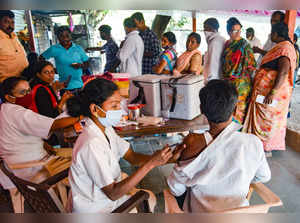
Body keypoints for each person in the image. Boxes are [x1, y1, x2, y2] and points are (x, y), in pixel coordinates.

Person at [66, 78, 184, 213]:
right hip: (97, 209)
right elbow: (113, 193)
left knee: (162, 199)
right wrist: (151, 164)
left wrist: (167, 159)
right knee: (166, 204)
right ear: (94, 109)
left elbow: (132, 156)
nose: (120, 111)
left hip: (106, 200)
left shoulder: (106, 129)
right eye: (114, 106)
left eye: (119, 105)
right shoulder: (91, 144)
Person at [167, 79, 271, 213]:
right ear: (235, 110)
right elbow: (264, 176)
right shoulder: (253, 143)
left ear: (201, 110)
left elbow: (176, 188)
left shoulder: (192, 144)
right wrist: (239, 178)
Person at [0, 76, 83, 212]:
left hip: (15, 163)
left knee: (75, 154)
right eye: (22, 93)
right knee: (81, 162)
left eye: (29, 91)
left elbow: (20, 134)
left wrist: (44, 144)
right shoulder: (18, 113)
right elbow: (54, 124)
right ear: (9, 97)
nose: (28, 95)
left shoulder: (4, 109)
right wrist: (82, 116)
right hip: (30, 166)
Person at [243, 22, 297, 153]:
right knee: (263, 116)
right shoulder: (282, 46)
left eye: (271, 33)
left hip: (271, 94)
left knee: (267, 117)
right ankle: (258, 144)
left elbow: (283, 71)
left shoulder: (286, 48)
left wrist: (272, 92)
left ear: (276, 34)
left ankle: (264, 146)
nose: (270, 35)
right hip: (265, 92)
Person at [221, 17, 256, 125]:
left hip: (241, 83)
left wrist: (242, 78)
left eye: (239, 30)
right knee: (229, 108)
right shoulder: (227, 44)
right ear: (228, 31)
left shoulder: (244, 45)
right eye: (234, 31)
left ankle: (238, 133)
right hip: (228, 82)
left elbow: (251, 65)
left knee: (239, 110)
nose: (237, 33)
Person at [40, 26, 89, 95]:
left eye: (67, 36)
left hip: (79, 86)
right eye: (61, 36)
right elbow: (41, 58)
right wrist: (52, 70)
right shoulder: (54, 49)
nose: (65, 38)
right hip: (64, 87)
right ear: (57, 37)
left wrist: (81, 65)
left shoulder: (78, 48)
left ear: (70, 36)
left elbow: (87, 64)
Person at [0, 10, 28, 82]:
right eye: (6, 22)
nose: (10, 26)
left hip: (22, 80)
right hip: (7, 84)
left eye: (12, 22)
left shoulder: (14, 36)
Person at [202, 18, 226, 83]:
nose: (204, 31)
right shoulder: (221, 39)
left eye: (206, 28)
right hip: (219, 78)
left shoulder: (214, 42)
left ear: (213, 29)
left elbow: (213, 64)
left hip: (213, 79)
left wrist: (208, 80)